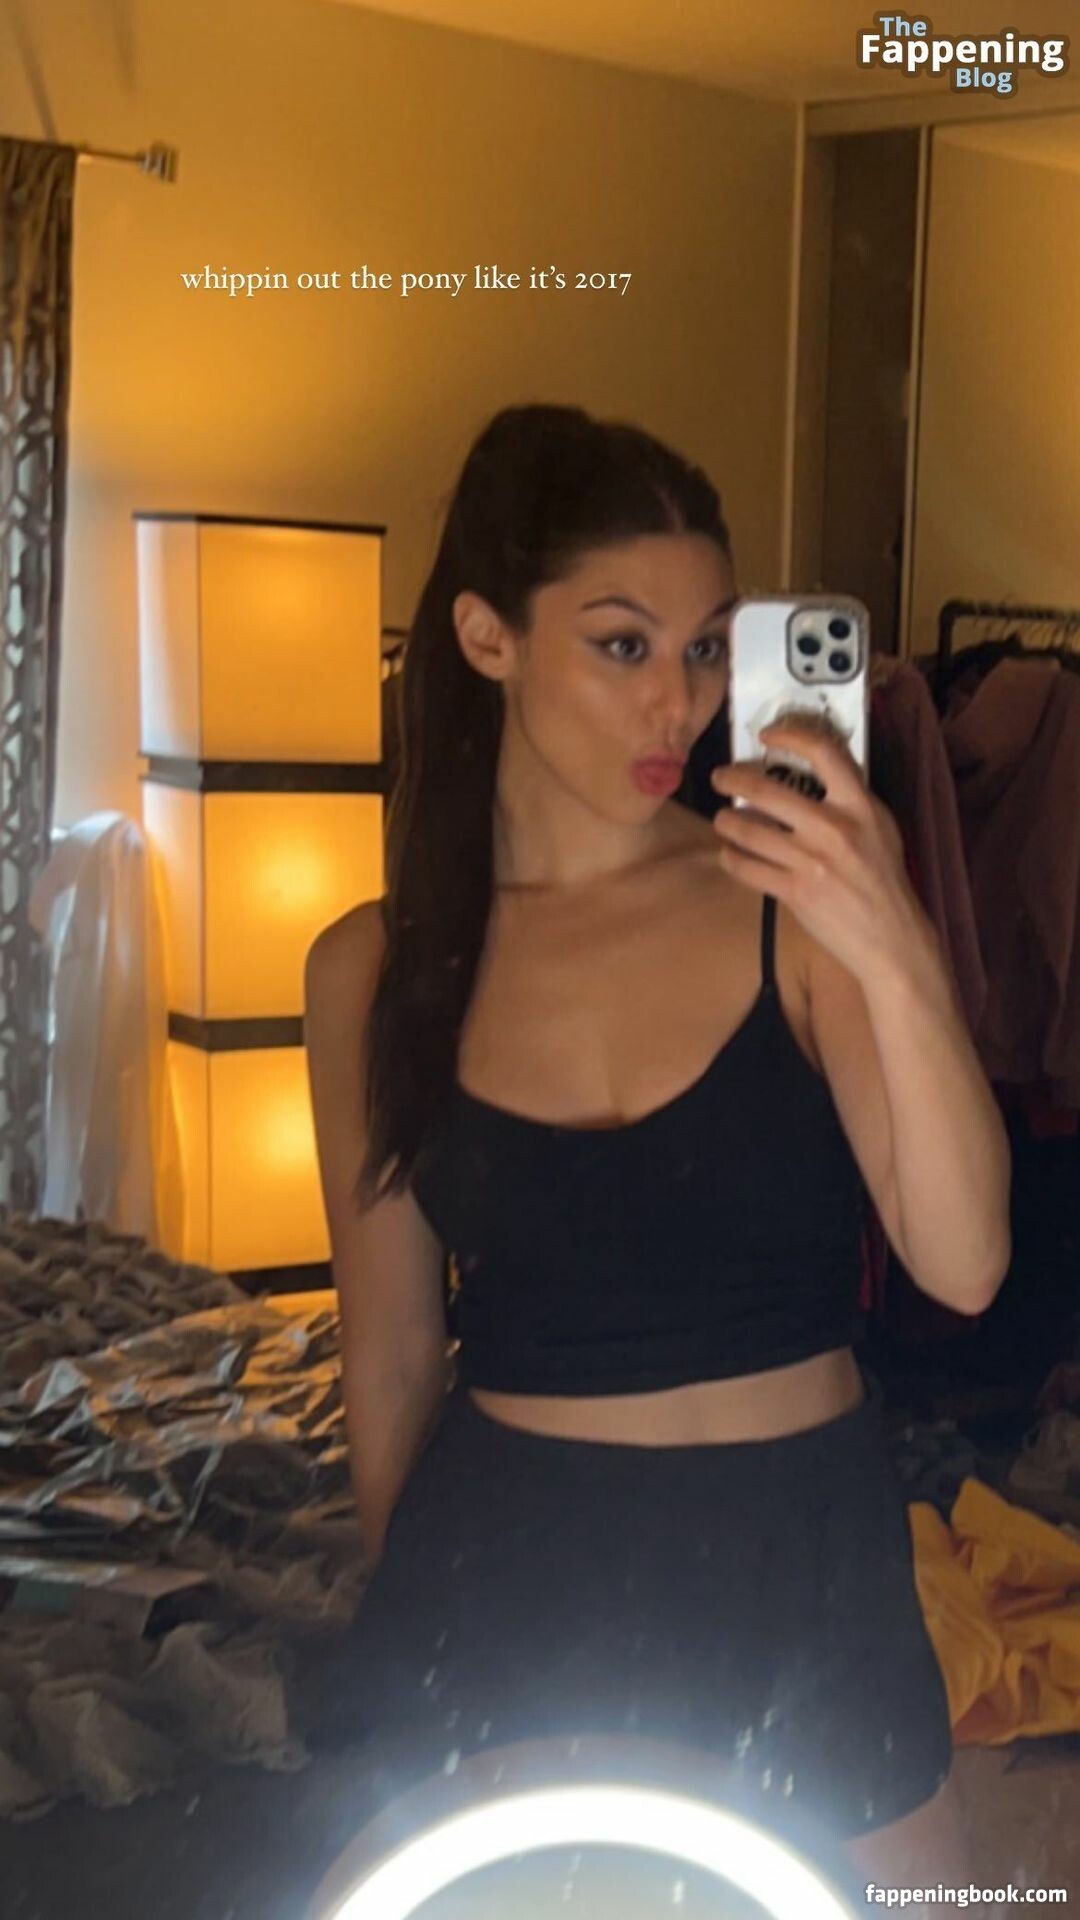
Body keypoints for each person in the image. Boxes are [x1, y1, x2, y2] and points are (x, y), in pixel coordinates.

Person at [303, 404, 1011, 1901]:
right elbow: (391, 1358)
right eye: (622, 645)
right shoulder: (375, 969)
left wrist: (890, 933)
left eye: (703, 649)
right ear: (487, 637)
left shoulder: (790, 912)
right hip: (510, 1556)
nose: (677, 704)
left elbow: (964, 1262)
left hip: (799, 1555)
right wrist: (411, 1624)